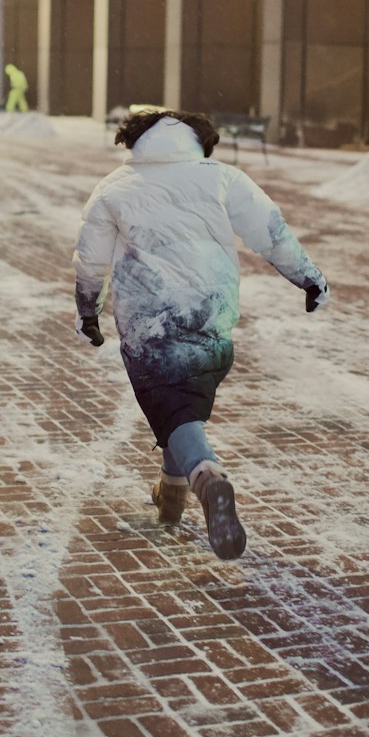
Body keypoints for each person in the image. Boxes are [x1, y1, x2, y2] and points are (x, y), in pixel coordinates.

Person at [73, 110, 328, 560]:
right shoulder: (223, 177)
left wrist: (87, 310)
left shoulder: (115, 186)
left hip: (150, 315)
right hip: (213, 308)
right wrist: (308, 278)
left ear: (136, 140)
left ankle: (207, 478)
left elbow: (92, 262)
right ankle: (171, 498)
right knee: (178, 403)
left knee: (174, 404)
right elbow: (270, 232)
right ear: (199, 141)